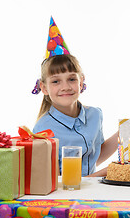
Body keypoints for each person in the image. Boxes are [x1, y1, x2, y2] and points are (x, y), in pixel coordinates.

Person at [32, 17, 117, 176]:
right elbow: (53, 182)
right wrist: (106, 172)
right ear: (43, 87)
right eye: (56, 81)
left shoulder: (95, 115)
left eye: (71, 79)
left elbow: (94, 157)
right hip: (64, 197)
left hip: (92, 194)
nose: (65, 87)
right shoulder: (42, 131)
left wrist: (125, 131)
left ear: (81, 81)